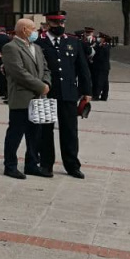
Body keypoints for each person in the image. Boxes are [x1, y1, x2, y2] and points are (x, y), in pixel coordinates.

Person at [35, 11, 91, 178]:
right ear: (47, 23)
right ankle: (46, 164)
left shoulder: (73, 42)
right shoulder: (39, 42)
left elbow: (83, 68)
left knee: (70, 131)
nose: (59, 26)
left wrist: (87, 91)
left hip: (68, 93)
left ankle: (72, 165)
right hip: (47, 93)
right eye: (55, 23)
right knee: (45, 131)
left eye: (61, 23)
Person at [0, 18, 50, 180]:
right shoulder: (11, 47)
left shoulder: (36, 47)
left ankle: (32, 164)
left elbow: (45, 68)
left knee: (35, 133)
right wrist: (39, 86)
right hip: (22, 97)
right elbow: (19, 73)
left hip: (39, 97)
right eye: (33, 29)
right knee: (16, 132)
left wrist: (47, 83)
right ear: (23, 30)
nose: (36, 32)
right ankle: (10, 165)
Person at [93, 34, 111, 101]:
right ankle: (104, 96)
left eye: (100, 38)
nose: (99, 39)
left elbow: (100, 56)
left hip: (102, 67)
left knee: (99, 81)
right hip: (103, 67)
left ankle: (96, 95)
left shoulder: (105, 46)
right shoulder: (101, 45)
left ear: (104, 39)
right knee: (104, 82)